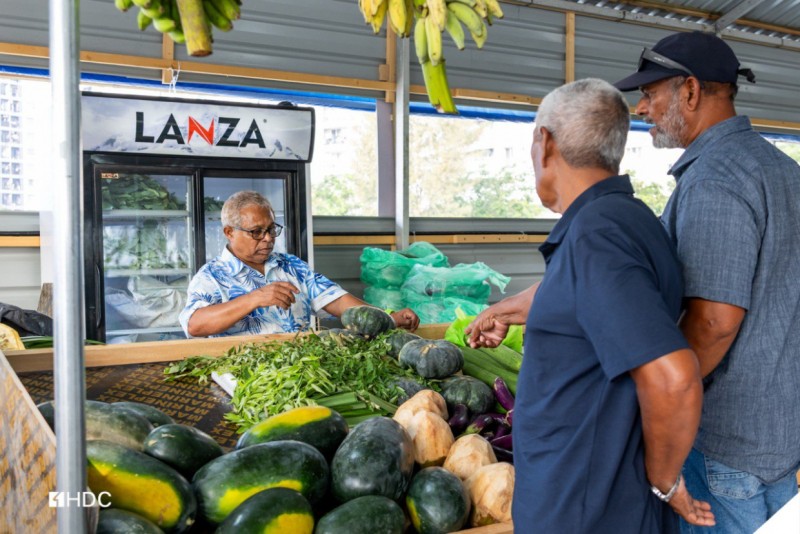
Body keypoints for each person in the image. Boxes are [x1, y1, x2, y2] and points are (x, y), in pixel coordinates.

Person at [465, 79, 714, 532]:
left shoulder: (598, 237)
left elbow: (673, 378)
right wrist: (515, 307)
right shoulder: (627, 218)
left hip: (584, 508)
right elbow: (600, 300)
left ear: (545, 143)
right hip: (592, 498)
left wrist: (665, 480)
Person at [614, 31, 800, 533]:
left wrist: (664, 405)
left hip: (723, 448)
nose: (643, 108)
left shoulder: (717, 178)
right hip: (779, 440)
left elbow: (714, 323)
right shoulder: (784, 170)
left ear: (691, 91)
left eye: (651, 93)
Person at [179, 190, 419, 337]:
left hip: (301, 374)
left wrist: (387, 317)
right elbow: (195, 325)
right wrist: (254, 298)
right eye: (256, 232)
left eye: (272, 229)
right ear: (229, 232)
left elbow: (337, 300)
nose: (268, 238)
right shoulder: (211, 277)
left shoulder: (291, 266)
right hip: (244, 381)